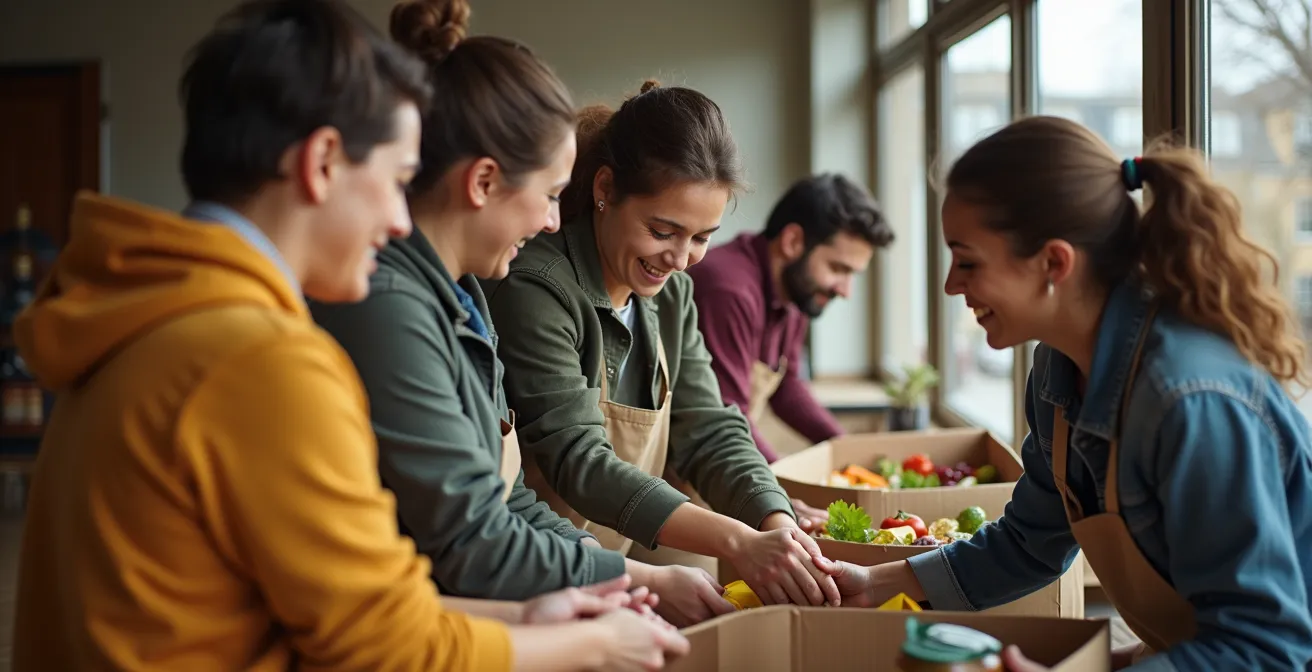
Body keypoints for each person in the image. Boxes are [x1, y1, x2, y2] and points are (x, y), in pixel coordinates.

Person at [9, 1, 688, 670]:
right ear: (323, 163)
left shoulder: (147, 310)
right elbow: (381, 647)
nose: (399, 221)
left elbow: (321, 608)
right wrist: (593, 643)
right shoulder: (262, 359)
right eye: (396, 180)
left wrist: (523, 615)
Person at [819, 116, 1312, 671]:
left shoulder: (1189, 400)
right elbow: (1032, 540)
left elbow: (1265, 648)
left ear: (1054, 263)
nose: (951, 285)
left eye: (969, 261)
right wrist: (876, 583)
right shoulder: (1057, 370)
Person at [309, 0, 716, 627]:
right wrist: (633, 579)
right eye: (552, 196)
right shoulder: (392, 310)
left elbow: (509, 501)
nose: (555, 220)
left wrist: (627, 576)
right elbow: (473, 540)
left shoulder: (467, 299)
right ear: (483, 182)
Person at [484, 80, 840, 617]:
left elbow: (709, 425)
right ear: (605, 189)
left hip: (620, 568)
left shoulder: (670, 296)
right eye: (662, 230)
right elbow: (578, 458)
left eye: (701, 237)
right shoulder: (539, 287)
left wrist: (775, 520)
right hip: (537, 578)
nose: (681, 257)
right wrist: (736, 541)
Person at [687, 173, 894, 526]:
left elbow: (787, 388)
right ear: (793, 241)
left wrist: (844, 447)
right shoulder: (729, 290)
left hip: (723, 472)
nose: (845, 290)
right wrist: (783, 482)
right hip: (681, 482)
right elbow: (728, 414)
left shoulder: (793, 296)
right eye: (838, 268)